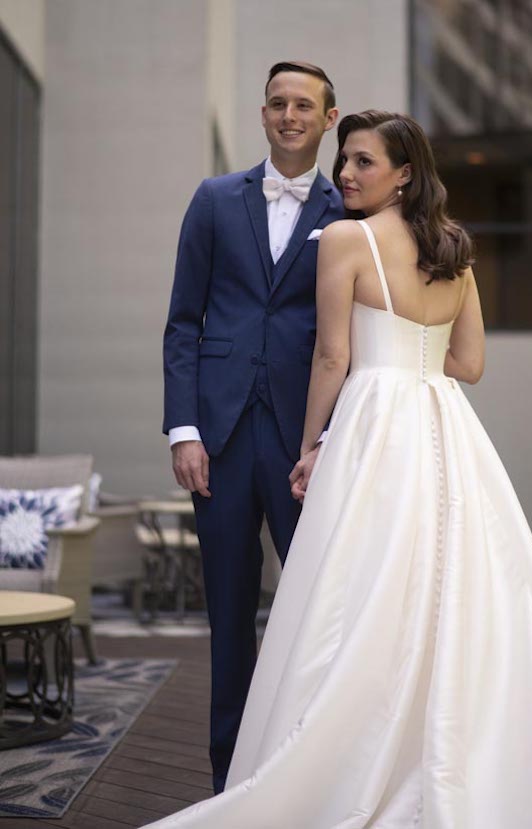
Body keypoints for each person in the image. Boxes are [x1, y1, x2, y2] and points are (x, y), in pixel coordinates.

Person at [150, 111, 532, 828]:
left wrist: (310, 444)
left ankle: (358, 752)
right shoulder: (455, 248)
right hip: (443, 420)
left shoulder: (346, 239)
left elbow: (331, 357)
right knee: (449, 586)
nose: (346, 175)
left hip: (371, 420)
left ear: (404, 173)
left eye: (361, 162)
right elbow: (470, 365)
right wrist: (415, 358)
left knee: (359, 590)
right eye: (346, 161)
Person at [162, 61, 342, 794]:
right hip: (222, 437)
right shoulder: (212, 200)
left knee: (311, 616)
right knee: (230, 620)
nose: (290, 115)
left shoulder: (350, 211)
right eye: (278, 104)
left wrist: (332, 437)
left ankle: (301, 774)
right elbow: (182, 321)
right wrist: (183, 429)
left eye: (305, 105)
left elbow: (353, 335)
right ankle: (227, 786)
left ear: (330, 118)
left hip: (308, 443)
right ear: (262, 114)